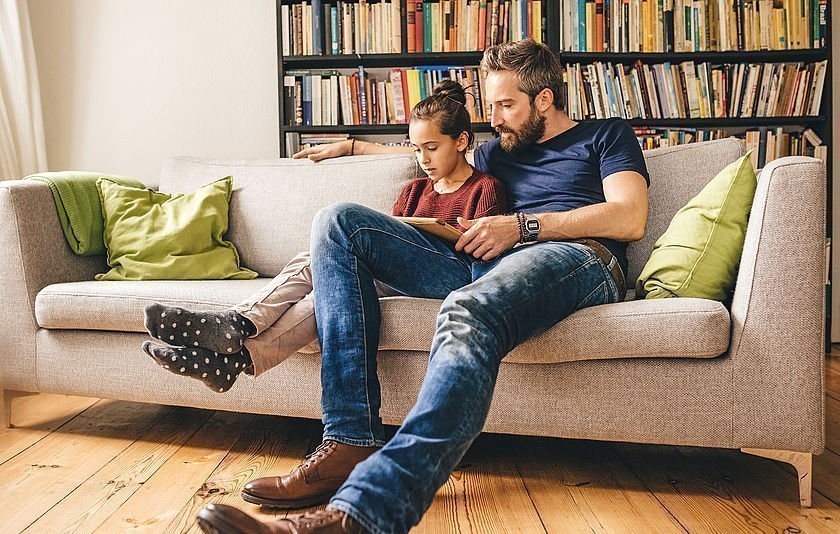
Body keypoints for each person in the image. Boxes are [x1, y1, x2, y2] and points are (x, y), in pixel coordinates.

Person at [195, 38, 650, 534]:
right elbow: (426, 145)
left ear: (544, 99)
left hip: (575, 259)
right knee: (338, 222)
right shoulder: (499, 150)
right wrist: (350, 146)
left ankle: (365, 511)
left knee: (467, 311)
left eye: (506, 105)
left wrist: (522, 226)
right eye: (490, 105)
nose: (494, 119)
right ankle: (349, 438)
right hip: (479, 261)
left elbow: (629, 217)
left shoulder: (606, 136)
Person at [140, 80, 507, 393]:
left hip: (444, 276)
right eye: (415, 149)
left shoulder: (484, 187)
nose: (423, 159)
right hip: (393, 276)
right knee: (326, 277)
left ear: (461, 141)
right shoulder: (414, 190)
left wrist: (454, 233)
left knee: (329, 252)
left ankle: (237, 324)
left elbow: (482, 260)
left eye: (432, 148)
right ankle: (236, 354)